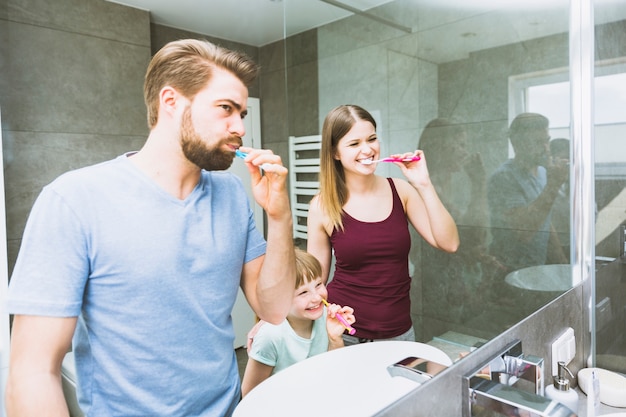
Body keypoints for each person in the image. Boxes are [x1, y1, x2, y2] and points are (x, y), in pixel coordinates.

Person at [5, 39, 296, 417]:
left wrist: (280, 216)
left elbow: (273, 310)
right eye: (226, 108)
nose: (239, 127)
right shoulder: (74, 200)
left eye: (241, 112)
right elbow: (32, 372)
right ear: (171, 102)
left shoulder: (231, 194)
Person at [306, 104, 459, 345]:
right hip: (343, 333)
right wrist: (276, 324)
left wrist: (424, 184)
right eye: (354, 143)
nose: (367, 149)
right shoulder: (322, 207)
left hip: (399, 333)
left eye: (372, 139)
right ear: (335, 152)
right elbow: (314, 282)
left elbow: (449, 243)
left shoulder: (402, 191)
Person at [417, 118, 505, 321]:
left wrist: (474, 254)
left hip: (449, 286)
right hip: (437, 291)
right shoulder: (424, 191)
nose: (466, 151)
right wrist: (479, 183)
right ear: (439, 148)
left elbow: (471, 239)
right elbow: (473, 237)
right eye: (460, 144)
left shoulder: (445, 187)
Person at [240, 248, 355, 397]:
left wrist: (335, 338)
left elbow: (336, 374)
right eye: (303, 292)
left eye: (318, 284)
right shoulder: (271, 336)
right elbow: (249, 395)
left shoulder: (325, 317)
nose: (317, 298)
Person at [487, 113, 569, 273]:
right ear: (517, 143)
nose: (546, 148)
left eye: (547, 141)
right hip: (508, 271)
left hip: (535, 268)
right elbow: (522, 233)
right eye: (538, 142)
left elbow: (545, 219)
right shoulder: (504, 178)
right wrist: (553, 186)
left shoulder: (543, 173)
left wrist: (562, 261)